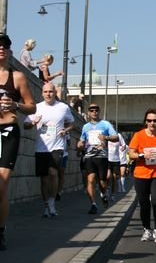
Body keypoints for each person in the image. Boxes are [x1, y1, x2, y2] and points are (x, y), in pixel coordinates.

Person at [0, 33, 36, 250]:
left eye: (5, 45)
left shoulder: (17, 77)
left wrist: (16, 106)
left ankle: (0, 230)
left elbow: (32, 106)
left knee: (2, 184)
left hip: (8, 131)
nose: (1, 48)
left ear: (10, 50)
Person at [24, 83, 74, 217]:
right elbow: (25, 125)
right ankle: (46, 205)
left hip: (57, 146)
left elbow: (71, 124)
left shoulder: (63, 107)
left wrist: (66, 130)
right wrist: (33, 122)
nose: (48, 94)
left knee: (53, 173)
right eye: (45, 92)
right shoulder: (37, 107)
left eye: (51, 92)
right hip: (41, 148)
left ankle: (52, 203)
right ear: (42, 93)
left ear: (55, 93)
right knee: (44, 178)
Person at [128, 108, 156, 243]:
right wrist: (142, 155)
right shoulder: (138, 136)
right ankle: (146, 229)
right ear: (145, 121)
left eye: (155, 120)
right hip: (141, 174)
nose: (152, 123)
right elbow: (131, 154)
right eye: (149, 120)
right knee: (144, 204)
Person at [77, 104, 119, 214]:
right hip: (89, 157)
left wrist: (106, 137)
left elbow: (116, 137)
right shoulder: (85, 127)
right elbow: (82, 140)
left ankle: (103, 194)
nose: (94, 112)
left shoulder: (105, 124)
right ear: (88, 113)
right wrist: (80, 145)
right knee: (90, 180)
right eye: (91, 110)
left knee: (102, 183)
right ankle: (93, 204)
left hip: (102, 157)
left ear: (99, 111)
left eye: (96, 110)